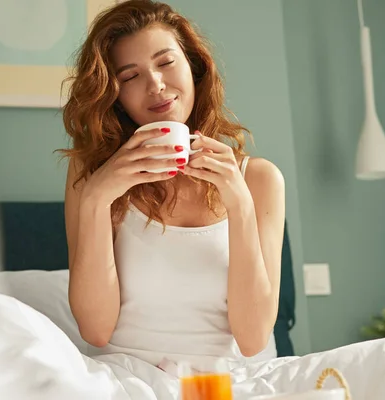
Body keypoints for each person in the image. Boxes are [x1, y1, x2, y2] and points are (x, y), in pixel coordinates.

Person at [61, 0, 284, 371]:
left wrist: (239, 205)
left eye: (166, 63)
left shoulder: (259, 179)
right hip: (126, 381)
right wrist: (97, 197)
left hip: (230, 383)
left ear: (194, 68)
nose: (156, 85)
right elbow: (95, 330)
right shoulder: (90, 172)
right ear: (115, 97)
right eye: (130, 76)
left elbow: (253, 338)